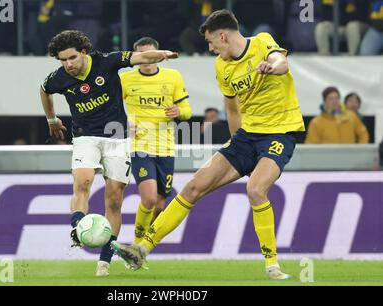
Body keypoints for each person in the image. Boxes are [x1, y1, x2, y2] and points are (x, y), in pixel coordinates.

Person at [112, 9, 305, 280]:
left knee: (255, 189)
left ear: (223, 36)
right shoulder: (223, 67)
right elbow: (232, 108)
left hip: (280, 133)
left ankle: (272, 265)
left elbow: (281, 62)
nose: (211, 49)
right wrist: (238, 145)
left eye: (211, 43)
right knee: (193, 187)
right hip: (247, 137)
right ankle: (141, 249)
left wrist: (272, 67)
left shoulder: (262, 42)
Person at [40, 30, 178, 277]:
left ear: (84, 52)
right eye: (62, 60)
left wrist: (163, 54)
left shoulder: (107, 61)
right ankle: (77, 228)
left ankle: (104, 261)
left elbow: (140, 58)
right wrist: (52, 119)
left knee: (114, 198)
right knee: (82, 182)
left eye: (71, 58)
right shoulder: (59, 78)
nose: (67, 64)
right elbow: (43, 89)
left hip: (117, 138)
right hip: (84, 136)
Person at [120, 37, 192, 244]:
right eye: (143, 56)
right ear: (136, 58)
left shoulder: (173, 77)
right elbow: (112, 109)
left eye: (151, 55)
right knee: (149, 199)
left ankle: (142, 247)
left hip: (166, 147)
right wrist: (124, 121)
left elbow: (187, 111)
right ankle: (135, 244)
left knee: (160, 204)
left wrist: (179, 111)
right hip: (140, 146)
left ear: (159, 56)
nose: (148, 60)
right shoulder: (126, 80)